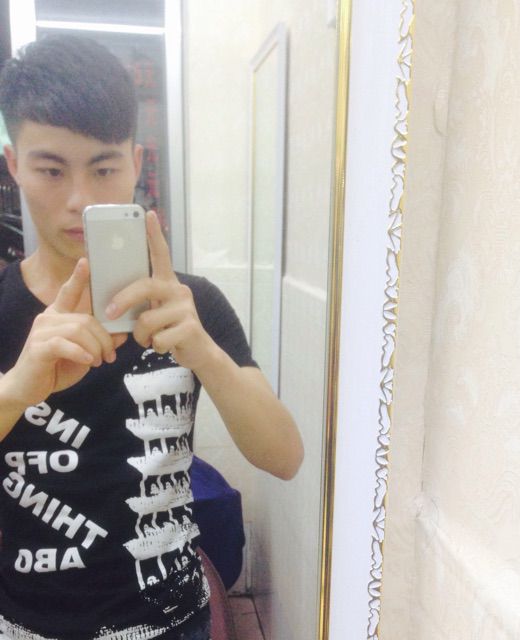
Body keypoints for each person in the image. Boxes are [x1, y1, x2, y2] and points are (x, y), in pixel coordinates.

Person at [0, 34, 304, 640]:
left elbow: (284, 457)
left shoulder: (191, 306)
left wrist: (204, 353)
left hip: (171, 621)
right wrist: (16, 390)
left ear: (136, 163)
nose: (79, 199)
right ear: (14, 165)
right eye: (51, 169)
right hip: (27, 625)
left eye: (104, 167)